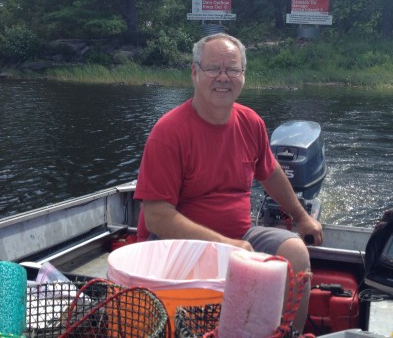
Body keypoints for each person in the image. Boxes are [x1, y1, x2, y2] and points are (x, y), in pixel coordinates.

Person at [134, 33, 323, 332]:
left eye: (232, 69)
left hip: (239, 236)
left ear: (243, 76)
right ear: (195, 72)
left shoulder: (251, 122)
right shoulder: (168, 132)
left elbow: (270, 172)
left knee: (296, 252)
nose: (223, 77)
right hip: (176, 247)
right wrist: (226, 246)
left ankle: (288, 333)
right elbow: (156, 216)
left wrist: (301, 217)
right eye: (213, 68)